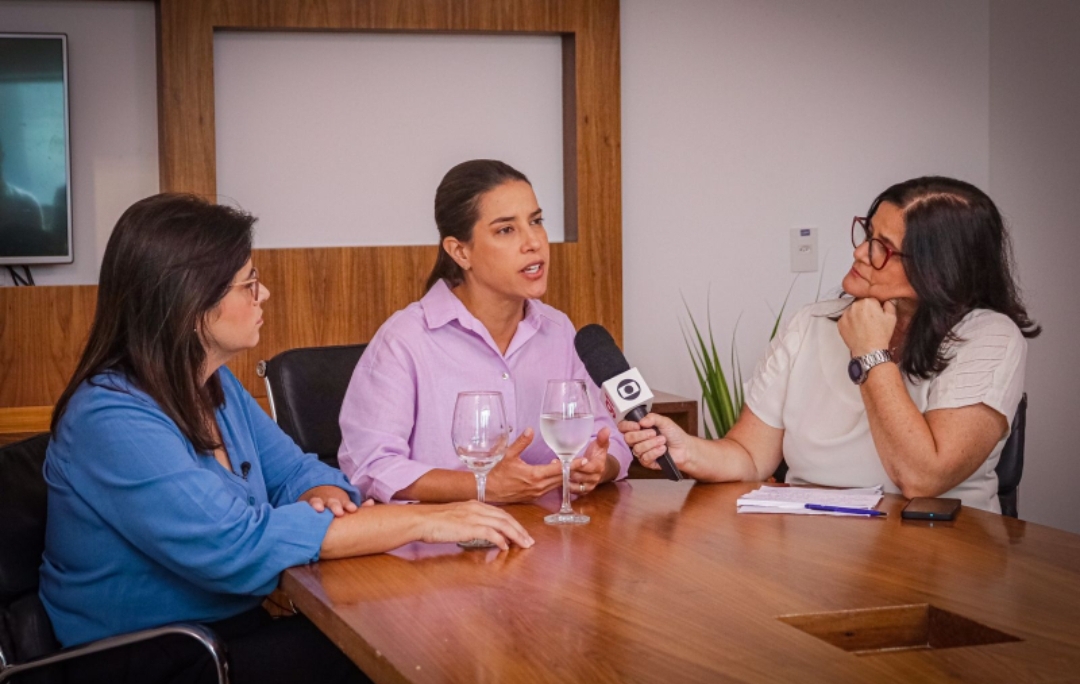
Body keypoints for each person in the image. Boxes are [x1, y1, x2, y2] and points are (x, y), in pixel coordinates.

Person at [41, 193, 534, 684]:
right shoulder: (110, 416)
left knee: (413, 637)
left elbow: (300, 471)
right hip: (154, 656)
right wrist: (424, 522)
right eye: (249, 284)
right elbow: (238, 547)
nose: (265, 296)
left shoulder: (213, 384)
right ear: (189, 303)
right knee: (404, 654)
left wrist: (326, 497)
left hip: (227, 630)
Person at [621, 176, 1038, 513]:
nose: (859, 252)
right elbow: (749, 456)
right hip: (812, 550)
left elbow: (922, 477)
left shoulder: (989, 338)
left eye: (884, 248)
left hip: (938, 556)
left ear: (939, 271)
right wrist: (687, 450)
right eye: (867, 233)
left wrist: (871, 354)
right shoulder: (812, 322)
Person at [338, 160, 632, 503]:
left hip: (546, 539)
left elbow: (607, 437)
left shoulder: (560, 331)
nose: (534, 242)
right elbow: (369, 467)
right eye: (506, 230)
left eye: (536, 221)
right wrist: (484, 487)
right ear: (460, 251)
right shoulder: (404, 340)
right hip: (440, 547)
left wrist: (600, 465)